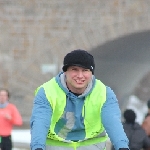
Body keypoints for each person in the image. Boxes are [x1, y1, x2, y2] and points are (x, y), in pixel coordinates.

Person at [30, 49, 129, 150]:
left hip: (92, 145)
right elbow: (40, 122)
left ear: (91, 73)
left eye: (85, 70)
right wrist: (37, 147)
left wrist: (122, 146)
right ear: (65, 71)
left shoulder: (104, 93)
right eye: (74, 69)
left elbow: (113, 122)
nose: (80, 76)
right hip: (56, 145)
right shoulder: (47, 91)